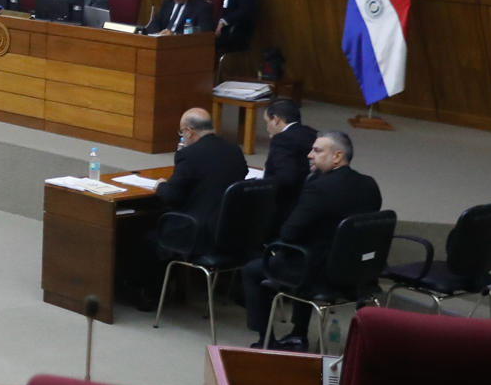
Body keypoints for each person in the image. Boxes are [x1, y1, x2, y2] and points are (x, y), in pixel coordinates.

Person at [241, 130, 382, 347]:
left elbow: (289, 232)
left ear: (337, 156)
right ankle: (297, 332)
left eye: (317, 150)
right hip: (357, 271)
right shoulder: (369, 185)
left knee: (254, 270)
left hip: (319, 273)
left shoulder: (318, 188)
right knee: (305, 252)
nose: (309, 155)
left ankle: (266, 340)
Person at [131, 109, 248, 308]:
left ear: (189, 131)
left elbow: (172, 196)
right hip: (230, 231)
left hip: (198, 233)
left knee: (143, 235)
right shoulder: (233, 150)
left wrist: (161, 186)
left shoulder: (189, 155)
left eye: (181, 133)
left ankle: (150, 295)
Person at [260, 98, 316, 232]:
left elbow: (285, 178)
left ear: (276, 119)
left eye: (267, 122)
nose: (267, 127)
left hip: (284, 207)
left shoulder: (281, 140)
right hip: (308, 199)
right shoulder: (311, 133)